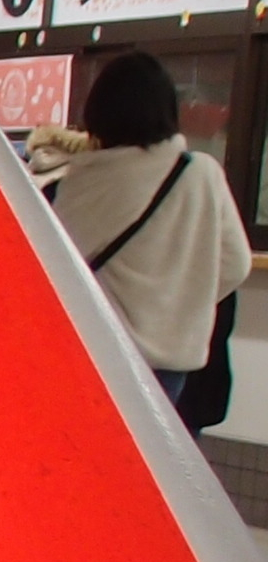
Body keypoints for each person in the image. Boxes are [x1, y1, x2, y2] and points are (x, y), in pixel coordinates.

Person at [49, 49, 252, 403]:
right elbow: (236, 264)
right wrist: (177, 302)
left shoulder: (80, 183)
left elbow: (53, 270)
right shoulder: (201, 174)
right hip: (171, 364)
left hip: (96, 354)